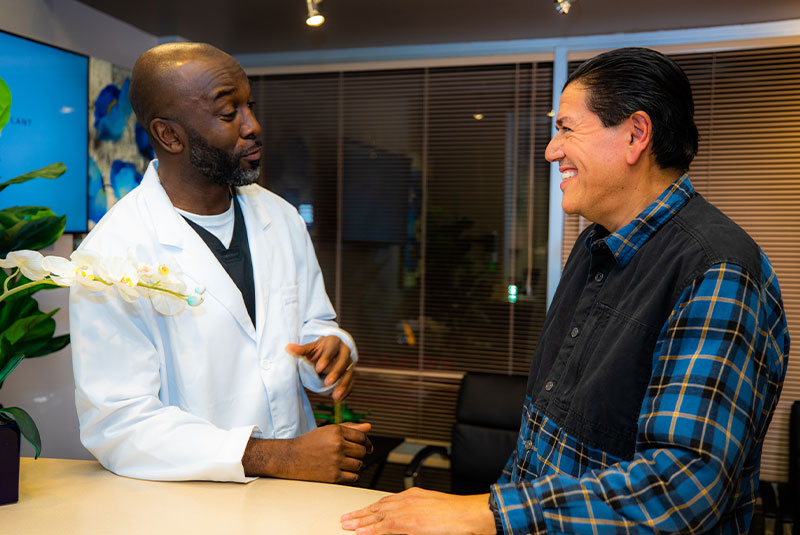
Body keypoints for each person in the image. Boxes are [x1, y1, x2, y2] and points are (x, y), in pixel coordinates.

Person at [341, 47, 789, 534]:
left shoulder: (717, 270)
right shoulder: (594, 244)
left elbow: (682, 486)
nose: (552, 150)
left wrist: (483, 514)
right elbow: (545, 443)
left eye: (566, 128)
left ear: (636, 135)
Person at [70, 42, 372, 484]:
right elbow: (118, 424)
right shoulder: (110, 255)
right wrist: (275, 457)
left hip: (298, 496)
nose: (253, 126)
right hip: (192, 506)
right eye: (230, 114)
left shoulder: (280, 218)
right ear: (170, 135)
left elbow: (314, 323)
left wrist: (329, 349)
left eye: (250, 106)